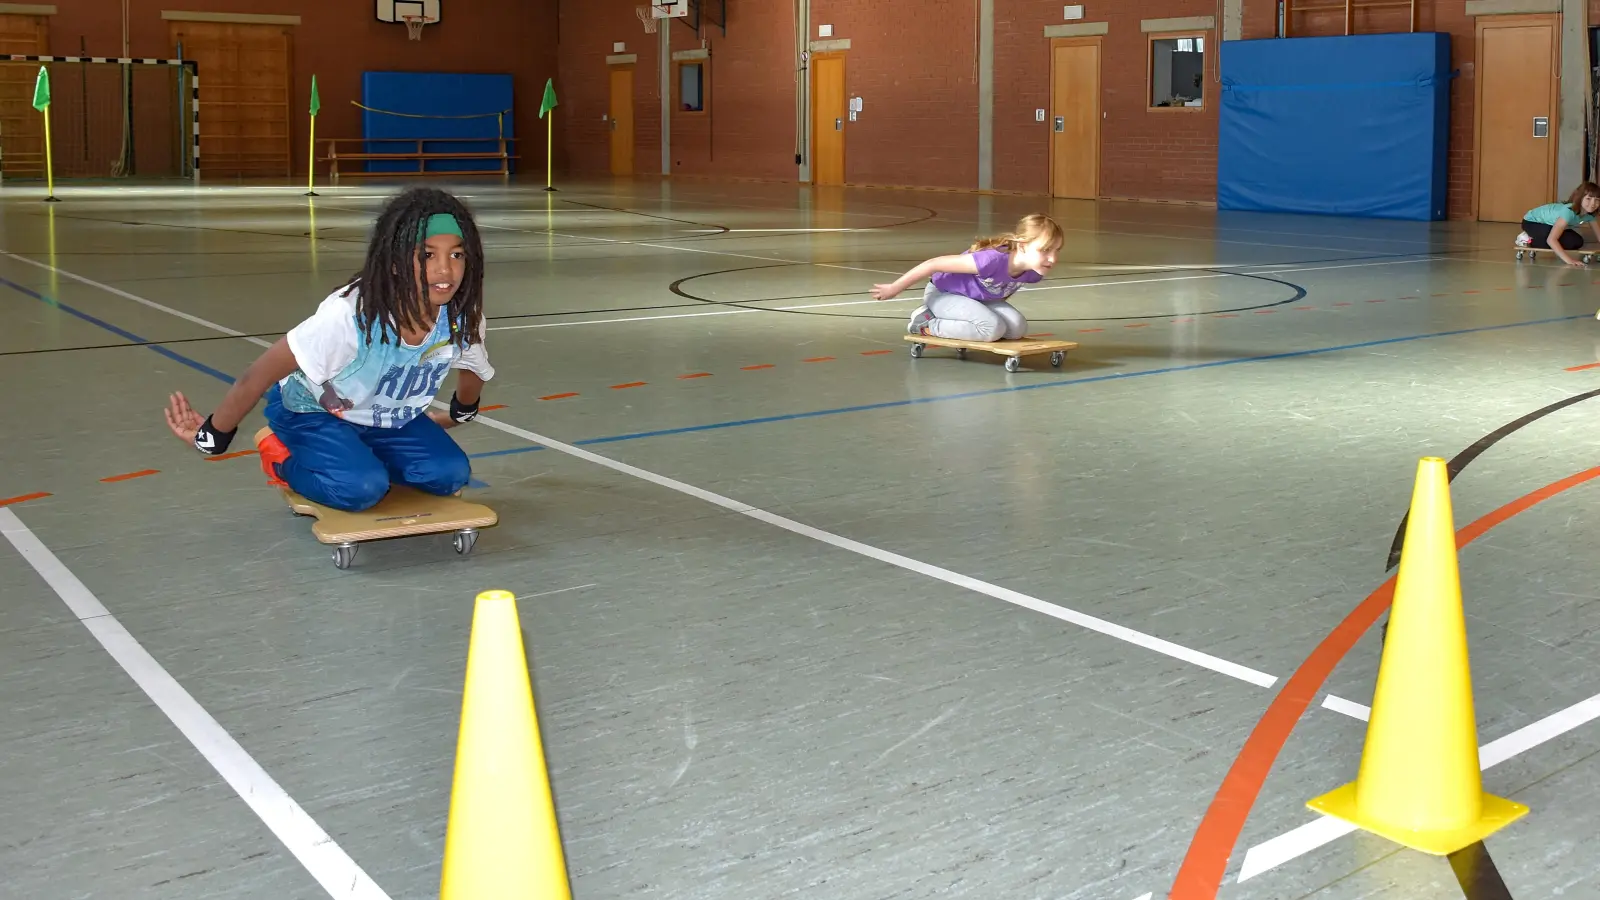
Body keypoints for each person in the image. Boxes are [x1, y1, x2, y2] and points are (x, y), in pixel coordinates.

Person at [161, 186, 495, 512]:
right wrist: (212, 436)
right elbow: (258, 375)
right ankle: (281, 459)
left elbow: (472, 368)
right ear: (394, 262)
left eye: (456, 254)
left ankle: (359, 457)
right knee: (361, 489)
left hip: (384, 417)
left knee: (449, 474)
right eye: (427, 255)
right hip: (313, 413)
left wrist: (459, 414)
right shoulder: (350, 315)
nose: (444, 269)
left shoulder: (462, 317)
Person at [870, 214, 1063, 342]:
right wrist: (894, 288)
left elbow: (1001, 288)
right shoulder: (991, 260)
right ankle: (926, 322)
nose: (1053, 259)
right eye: (1045, 250)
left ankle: (967, 320)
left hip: (977, 299)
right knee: (992, 328)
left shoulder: (1033, 273)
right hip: (944, 294)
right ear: (1022, 246)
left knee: (1016, 329)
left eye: (1057, 251)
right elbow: (933, 264)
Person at [1517, 183, 1600, 268]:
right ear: (1579, 198)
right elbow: (1551, 239)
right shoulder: (1568, 211)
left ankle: (1537, 239)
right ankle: (1527, 239)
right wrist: (1569, 260)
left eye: (1597, 200)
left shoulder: (1590, 215)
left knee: (1576, 241)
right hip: (1532, 222)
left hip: (1551, 225)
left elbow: (1598, 235)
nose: (1593, 204)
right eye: (1588, 199)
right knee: (1549, 238)